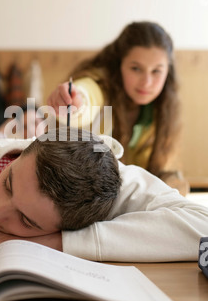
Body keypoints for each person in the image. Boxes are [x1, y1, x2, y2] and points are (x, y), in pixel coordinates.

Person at [47, 21, 189, 195]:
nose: (146, 82)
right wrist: (73, 104)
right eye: (136, 68)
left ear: (168, 71)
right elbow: (87, 95)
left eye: (156, 71)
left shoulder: (163, 108)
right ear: (119, 64)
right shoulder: (101, 84)